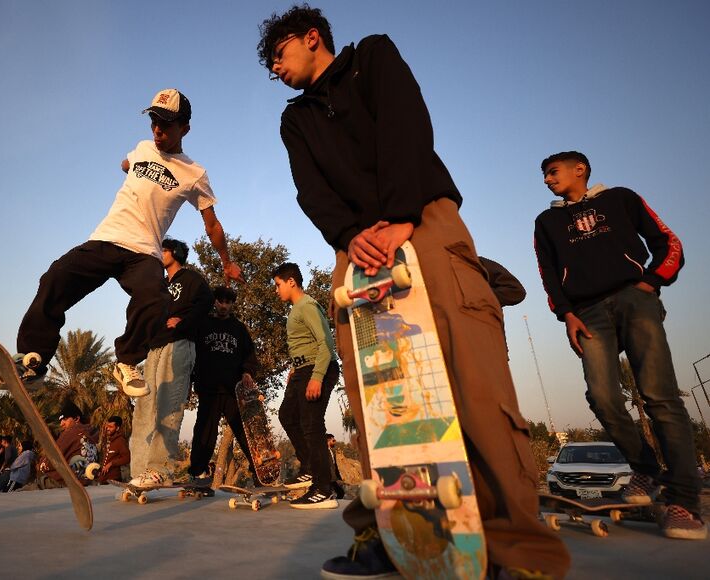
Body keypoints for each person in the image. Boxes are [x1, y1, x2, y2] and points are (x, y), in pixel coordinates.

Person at [257, 5, 570, 577]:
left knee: (471, 382)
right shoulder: (294, 120)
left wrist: (400, 216)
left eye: (278, 55)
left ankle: (514, 549)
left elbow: (406, 126)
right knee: (381, 400)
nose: (274, 70)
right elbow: (311, 191)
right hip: (357, 253)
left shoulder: (372, 57)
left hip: (423, 222)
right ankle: (397, 533)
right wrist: (351, 237)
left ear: (310, 37)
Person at [0, 88, 243, 397]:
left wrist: (226, 261)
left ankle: (127, 361)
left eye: (167, 124)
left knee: (155, 298)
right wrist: (130, 168)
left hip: (144, 252)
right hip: (106, 239)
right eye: (154, 121)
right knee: (55, 278)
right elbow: (126, 164)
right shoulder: (142, 148)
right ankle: (32, 366)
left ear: (185, 128)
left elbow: (212, 225)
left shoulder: (194, 174)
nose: (158, 130)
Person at [534, 150, 704, 540]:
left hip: (634, 299)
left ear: (580, 169)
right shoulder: (547, 221)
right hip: (587, 312)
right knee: (603, 396)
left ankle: (684, 502)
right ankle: (645, 470)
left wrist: (651, 283)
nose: (546, 179)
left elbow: (667, 241)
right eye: (544, 175)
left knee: (659, 395)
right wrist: (566, 314)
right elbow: (547, 272)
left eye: (552, 172)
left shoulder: (620, 198)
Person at [130, 238, 213, 487]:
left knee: (169, 407)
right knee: (144, 409)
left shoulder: (191, 279)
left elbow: (206, 302)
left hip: (179, 343)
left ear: (175, 253)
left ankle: (159, 470)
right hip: (153, 349)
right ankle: (139, 472)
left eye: (163, 250)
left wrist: (184, 322)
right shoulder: (159, 284)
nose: (159, 253)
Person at [272, 262, 340, 509]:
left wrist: (317, 376)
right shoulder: (295, 309)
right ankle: (310, 468)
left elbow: (326, 343)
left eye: (278, 285)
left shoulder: (307, 305)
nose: (277, 290)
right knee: (287, 415)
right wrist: (294, 368)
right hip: (302, 370)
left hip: (317, 368)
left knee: (312, 425)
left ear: (291, 282)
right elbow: (304, 344)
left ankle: (323, 488)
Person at [187, 285, 260, 487]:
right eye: (220, 301)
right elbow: (191, 354)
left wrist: (247, 372)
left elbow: (249, 355)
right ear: (214, 302)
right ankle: (197, 472)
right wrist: (190, 381)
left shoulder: (239, 329)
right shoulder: (202, 324)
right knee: (204, 431)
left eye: (228, 302)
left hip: (232, 391)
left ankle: (260, 471)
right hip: (208, 388)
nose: (224, 306)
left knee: (244, 431)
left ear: (232, 305)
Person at [37, 401, 98, 489]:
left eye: (65, 419)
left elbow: (52, 458)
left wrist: (41, 464)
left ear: (76, 418)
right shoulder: (92, 434)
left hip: (61, 482)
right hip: (85, 481)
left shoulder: (71, 432)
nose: (61, 423)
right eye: (60, 420)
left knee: (16, 495)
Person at [97, 416, 131, 484]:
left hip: (114, 480)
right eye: (107, 426)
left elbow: (127, 458)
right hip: (103, 479)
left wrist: (111, 464)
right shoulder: (106, 439)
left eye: (110, 427)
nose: (107, 428)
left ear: (117, 428)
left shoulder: (120, 441)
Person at [326, 434, 345, 500]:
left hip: (332, 478)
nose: (335, 442)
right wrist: (335, 478)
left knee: (340, 493)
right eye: (333, 440)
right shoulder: (325, 452)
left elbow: (334, 466)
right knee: (338, 493)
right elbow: (328, 466)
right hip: (328, 478)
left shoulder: (331, 451)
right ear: (328, 441)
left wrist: (339, 478)